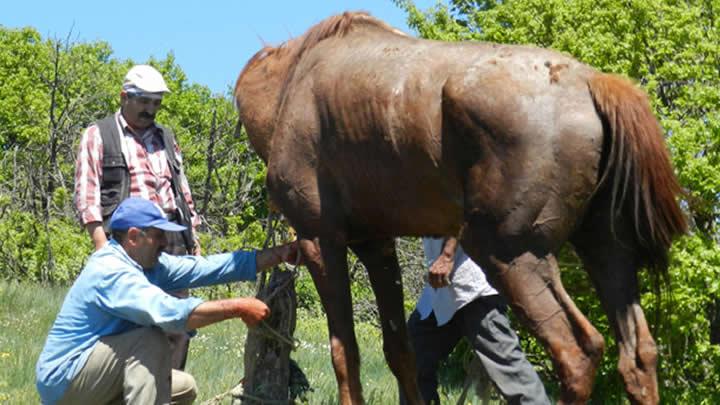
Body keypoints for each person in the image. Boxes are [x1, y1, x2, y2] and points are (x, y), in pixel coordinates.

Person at [36, 197, 302, 405]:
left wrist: (277, 254)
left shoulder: (147, 264)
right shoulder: (111, 271)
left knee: (183, 388)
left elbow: (206, 268)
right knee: (149, 339)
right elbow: (170, 313)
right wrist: (237, 307)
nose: (165, 241)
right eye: (158, 234)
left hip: (90, 379)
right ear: (133, 236)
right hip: (65, 384)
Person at [74, 64, 200, 369]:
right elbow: (87, 197)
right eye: (144, 101)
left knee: (178, 324)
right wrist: (103, 249)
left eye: (156, 102)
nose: (150, 109)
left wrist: (193, 239)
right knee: (133, 322)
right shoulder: (99, 134)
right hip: (130, 242)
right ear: (124, 96)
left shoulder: (166, 138)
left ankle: (170, 393)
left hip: (172, 239)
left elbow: (182, 191)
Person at [404, 237, 549, 405]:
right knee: (411, 355)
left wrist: (446, 256)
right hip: (441, 293)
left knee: (510, 372)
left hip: (474, 286)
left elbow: (464, 211)